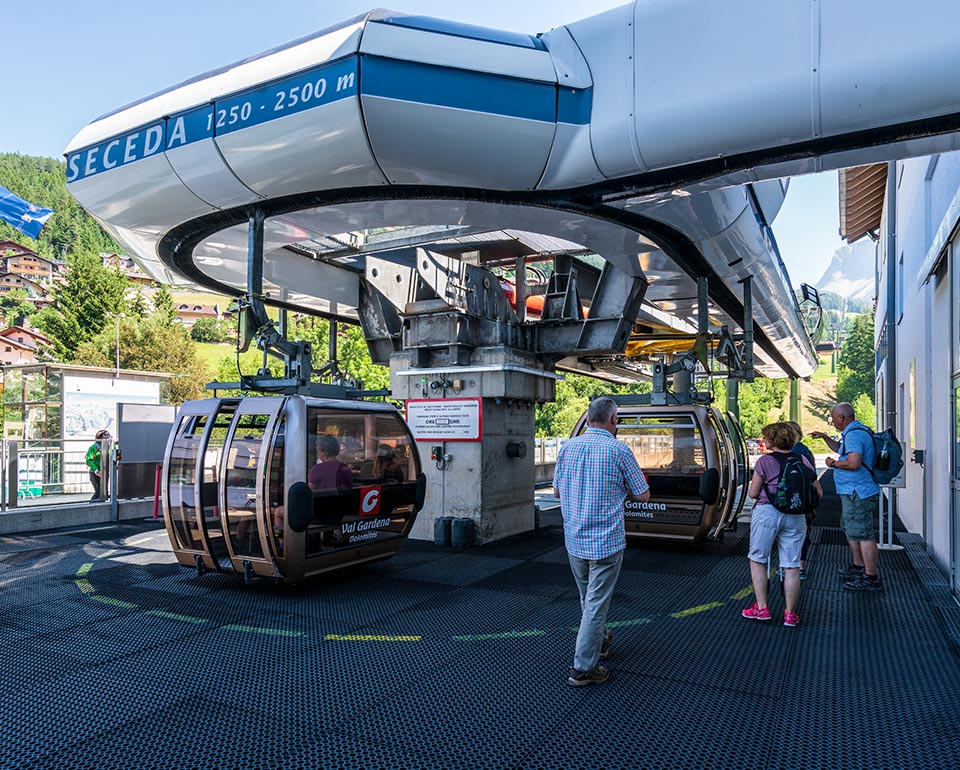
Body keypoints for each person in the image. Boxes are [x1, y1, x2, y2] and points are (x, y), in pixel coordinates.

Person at [553, 396, 650, 686]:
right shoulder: (619, 450)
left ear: (587, 417)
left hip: (574, 539)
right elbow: (643, 494)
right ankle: (582, 668)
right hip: (606, 542)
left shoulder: (567, 447)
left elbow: (557, 493)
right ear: (613, 420)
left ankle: (602, 639)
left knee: (589, 599)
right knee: (595, 604)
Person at [742, 422, 822, 627]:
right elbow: (818, 492)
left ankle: (762, 608)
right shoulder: (802, 459)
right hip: (796, 514)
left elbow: (752, 493)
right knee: (792, 564)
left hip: (768, 513)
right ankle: (790, 614)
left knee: (759, 558)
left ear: (771, 439)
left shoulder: (764, 462)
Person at [810, 402, 883, 591]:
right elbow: (842, 450)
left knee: (864, 533)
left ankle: (871, 577)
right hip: (854, 492)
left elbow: (853, 463)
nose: (832, 421)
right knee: (853, 530)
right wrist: (825, 437)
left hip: (858, 492)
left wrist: (833, 464)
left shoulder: (854, 435)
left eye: (833, 418)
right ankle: (859, 567)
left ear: (841, 417)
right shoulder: (856, 432)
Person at [785, 420, 816, 579]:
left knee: (789, 533)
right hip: (807, 499)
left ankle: (790, 566)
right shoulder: (806, 452)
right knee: (803, 532)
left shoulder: (789, 453)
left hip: (791, 499)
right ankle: (801, 566)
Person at [85, 429, 111, 502]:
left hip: (105, 471)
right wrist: (95, 470)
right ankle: (93, 504)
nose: (108, 436)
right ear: (101, 436)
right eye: (106, 434)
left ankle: (100, 504)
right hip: (95, 472)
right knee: (98, 491)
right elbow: (89, 460)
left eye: (108, 434)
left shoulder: (109, 446)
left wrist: (113, 443)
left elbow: (114, 453)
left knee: (104, 491)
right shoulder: (93, 447)